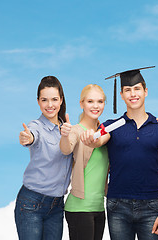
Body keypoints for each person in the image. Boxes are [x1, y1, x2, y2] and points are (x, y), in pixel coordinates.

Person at [80, 66, 158, 240]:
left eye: (137, 89)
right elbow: (99, 139)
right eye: (127, 90)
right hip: (118, 206)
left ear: (146, 91)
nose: (133, 94)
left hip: (151, 206)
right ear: (121, 95)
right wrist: (91, 141)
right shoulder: (111, 125)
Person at [15, 76, 73, 240]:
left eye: (54, 99)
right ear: (38, 102)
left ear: (61, 100)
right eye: (44, 100)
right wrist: (27, 138)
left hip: (56, 206)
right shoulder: (36, 126)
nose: (50, 105)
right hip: (31, 203)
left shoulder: (67, 129)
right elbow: (32, 136)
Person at [59, 84, 109, 240]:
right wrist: (65, 135)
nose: (95, 106)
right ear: (81, 104)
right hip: (79, 208)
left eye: (100, 101)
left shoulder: (105, 132)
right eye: (90, 101)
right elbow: (66, 149)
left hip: (99, 208)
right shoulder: (75, 130)